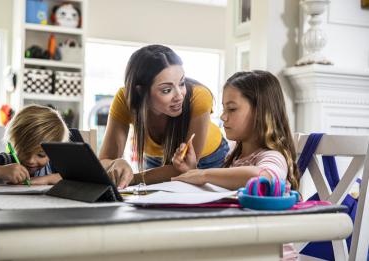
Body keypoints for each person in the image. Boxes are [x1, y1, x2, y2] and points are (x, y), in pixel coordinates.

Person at [99, 44, 229, 189]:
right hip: (156, 162)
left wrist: (134, 178)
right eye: (167, 90)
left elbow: (183, 167)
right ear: (141, 91)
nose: (179, 96)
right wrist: (115, 163)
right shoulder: (125, 100)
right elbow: (104, 160)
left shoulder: (199, 96)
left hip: (210, 160)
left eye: (181, 83)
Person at [172, 70, 300, 191]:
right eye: (224, 109)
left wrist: (204, 174)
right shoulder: (234, 154)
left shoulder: (273, 156)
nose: (223, 117)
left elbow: (263, 178)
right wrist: (191, 170)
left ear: (261, 113)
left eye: (232, 109)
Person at [0, 104, 78, 185]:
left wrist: (45, 180)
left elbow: (79, 178)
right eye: (25, 150)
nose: (30, 160)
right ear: (14, 141)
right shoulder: (4, 161)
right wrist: (0, 171)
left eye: (41, 155)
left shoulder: (52, 164)